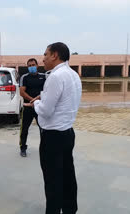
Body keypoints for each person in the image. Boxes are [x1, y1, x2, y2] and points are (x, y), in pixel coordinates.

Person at [26, 42, 82, 214]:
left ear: (55, 55)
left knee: (53, 181)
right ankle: (70, 209)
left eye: (45, 54)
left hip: (53, 138)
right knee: (67, 176)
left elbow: (47, 111)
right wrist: (42, 98)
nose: (42, 59)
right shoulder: (73, 74)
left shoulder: (55, 77)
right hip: (67, 133)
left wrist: (35, 104)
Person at [18, 58, 46, 157]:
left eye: (33, 65)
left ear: (37, 65)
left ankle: (44, 148)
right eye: (29, 66)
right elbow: (22, 92)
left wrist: (36, 101)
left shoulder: (44, 76)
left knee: (43, 129)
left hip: (41, 108)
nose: (31, 67)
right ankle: (23, 148)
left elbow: (47, 91)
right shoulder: (24, 77)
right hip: (28, 107)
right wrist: (32, 101)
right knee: (24, 129)